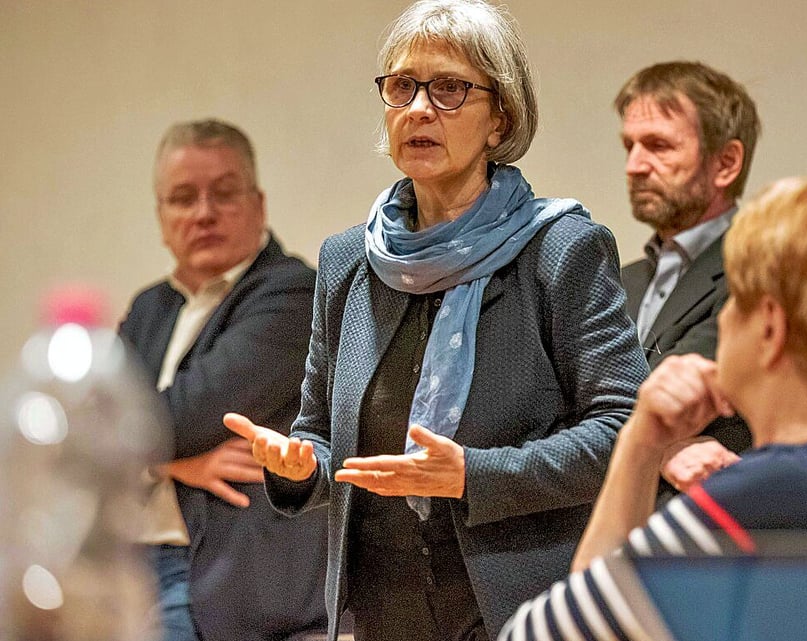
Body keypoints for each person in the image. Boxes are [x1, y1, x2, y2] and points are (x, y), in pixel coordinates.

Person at [223, 2, 648, 640]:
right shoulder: (348, 262)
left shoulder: (560, 251)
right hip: (380, 610)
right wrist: (300, 466)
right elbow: (321, 437)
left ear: (501, 117)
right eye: (402, 87)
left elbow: (624, 429)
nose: (419, 108)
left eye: (449, 88)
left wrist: (475, 475)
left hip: (518, 607)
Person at [498, 166, 807, 641]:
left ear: (769, 328)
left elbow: (542, 634)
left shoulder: (769, 494)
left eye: (735, 300)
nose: (722, 322)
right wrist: (641, 444)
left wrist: (639, 444)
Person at [119, 119, 329, 641]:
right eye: (183, 198)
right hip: (128, 569)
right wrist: (174, 464)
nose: (203, 213)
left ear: (259, 204)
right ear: (162, 218)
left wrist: (152, 454)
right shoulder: (148, 309)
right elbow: (91, 434)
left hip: (227, 584)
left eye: (224, 193)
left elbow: (186, 416)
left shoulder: (293, 293)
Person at [616, 60, 761, 491]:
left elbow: (665, 405)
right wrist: (660, 449)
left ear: (726, 163)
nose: (634, 165)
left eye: (658, 145)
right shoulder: (615, 281)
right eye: (629, 146)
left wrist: (651, 441)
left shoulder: (760, 272)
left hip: (707, 522)